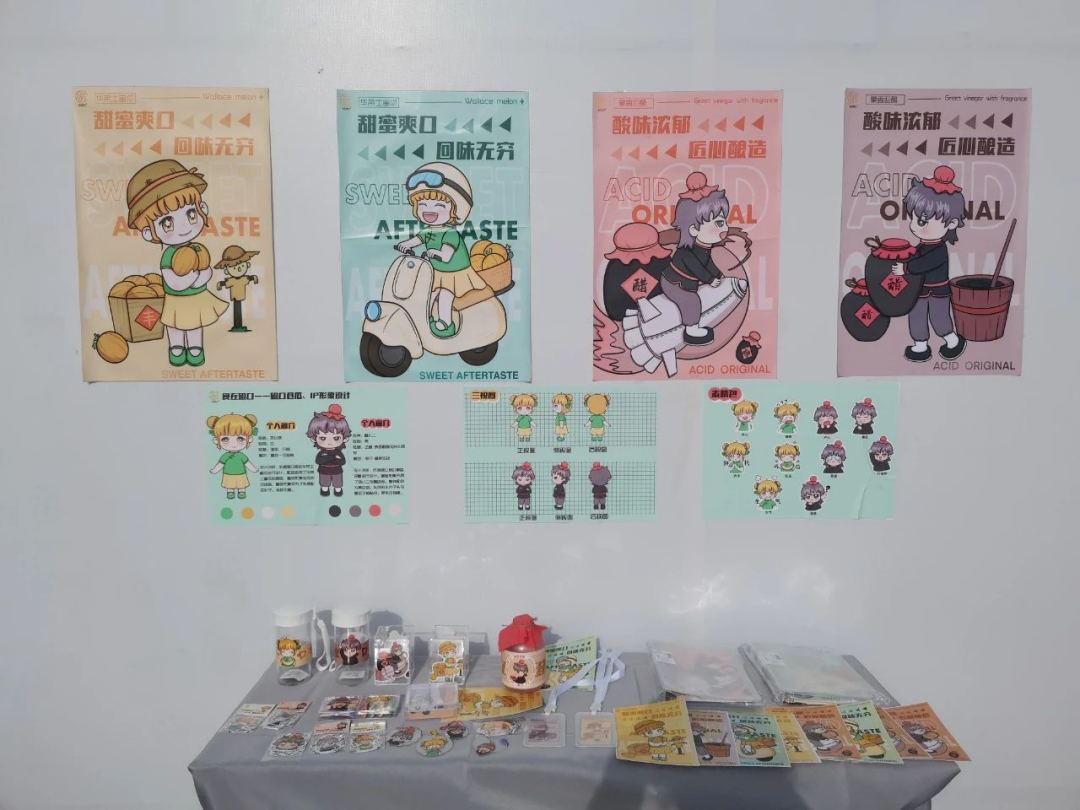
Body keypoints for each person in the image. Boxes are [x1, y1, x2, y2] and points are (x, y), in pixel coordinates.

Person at [126, 159, 229, 367]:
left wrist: (202, 276)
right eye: (167, 222)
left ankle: (195, 349)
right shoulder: (168, 255)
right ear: (148, 233)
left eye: (191, 213)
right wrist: (192, 278)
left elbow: (207, 271)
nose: (183, 226)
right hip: (176, 299)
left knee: (195, 325)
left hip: (196, 298)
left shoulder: (199, 249)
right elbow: (173, 281)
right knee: (174, 326)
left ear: (202, 208)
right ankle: (176, 348)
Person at [393, 162, 485, 338]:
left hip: (454, 273)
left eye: (439, 205)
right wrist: (405, 244)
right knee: (428, 293)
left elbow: (447, 255)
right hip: (436, 271)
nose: (429, 210)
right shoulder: (428, 230)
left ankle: (446, 323)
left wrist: (436, 253)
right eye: (422, 204)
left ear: (454, 209)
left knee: (445, 295)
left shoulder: (450, 233)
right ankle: (423, 319)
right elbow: (416, 240)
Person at [895, 166, 968, 363]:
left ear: (951, 224)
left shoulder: (939, 249)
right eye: (913, 217)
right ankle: (920, 346)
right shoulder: (921, 246)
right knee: (916, 317)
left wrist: (906, 268)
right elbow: (915, 257)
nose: (914, 225)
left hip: (937, 292)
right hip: (918, 290)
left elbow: (924, 264)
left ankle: (953, 341)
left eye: (922, 221)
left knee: (939, 319)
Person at [663, 172, 734, 345]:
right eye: (718, 223)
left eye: (724, 222)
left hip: (688, 281)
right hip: (674, 283)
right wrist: (710, 279)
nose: (725, 228)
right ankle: (691, 330)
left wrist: (717, 274)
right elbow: (696, 267)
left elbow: (707, 263)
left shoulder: (704, 248)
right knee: (691, 300)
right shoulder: (686, 252)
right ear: (693, 229)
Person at [207, 413, 260, 499]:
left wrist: (253, 469)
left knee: (241, 484)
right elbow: (220, 464)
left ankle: (242, 491)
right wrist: (214, 470)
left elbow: (247, 463)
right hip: (228, 474)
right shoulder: (225, 456)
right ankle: (230, 492)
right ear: (216, 440)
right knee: (229, 485)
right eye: (225, 439)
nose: (233, 444)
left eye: (240, 439)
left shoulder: (241, 456)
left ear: (249, 439)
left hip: (241, 473)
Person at [305, 404, 351, 497]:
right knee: (324, 483)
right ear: (313, 438)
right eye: (323, 438)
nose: (329, 442)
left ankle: (338, 490)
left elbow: (342, 461)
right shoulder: (322, 452)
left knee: (337, 483)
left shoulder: (338, 452)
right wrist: (332, 458)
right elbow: (318, 460)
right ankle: (324, 490)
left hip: (337, 471)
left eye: (336, 438)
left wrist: (331, 459)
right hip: (323, 471)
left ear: (345, 438)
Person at [214, 245, 260, 333]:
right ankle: (237, 326)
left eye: (242, 266)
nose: (239, 269)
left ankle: (239, 326)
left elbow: (250, 278)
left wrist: (254, 278)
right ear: (226, 271)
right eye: (234, 268)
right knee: (237, 312)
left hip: (241, 296)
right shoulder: (232, 281)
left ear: (247, 265)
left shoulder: (243, 279)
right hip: (235, 297)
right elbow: (224, 283)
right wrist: (220, 284)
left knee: (239, 312)